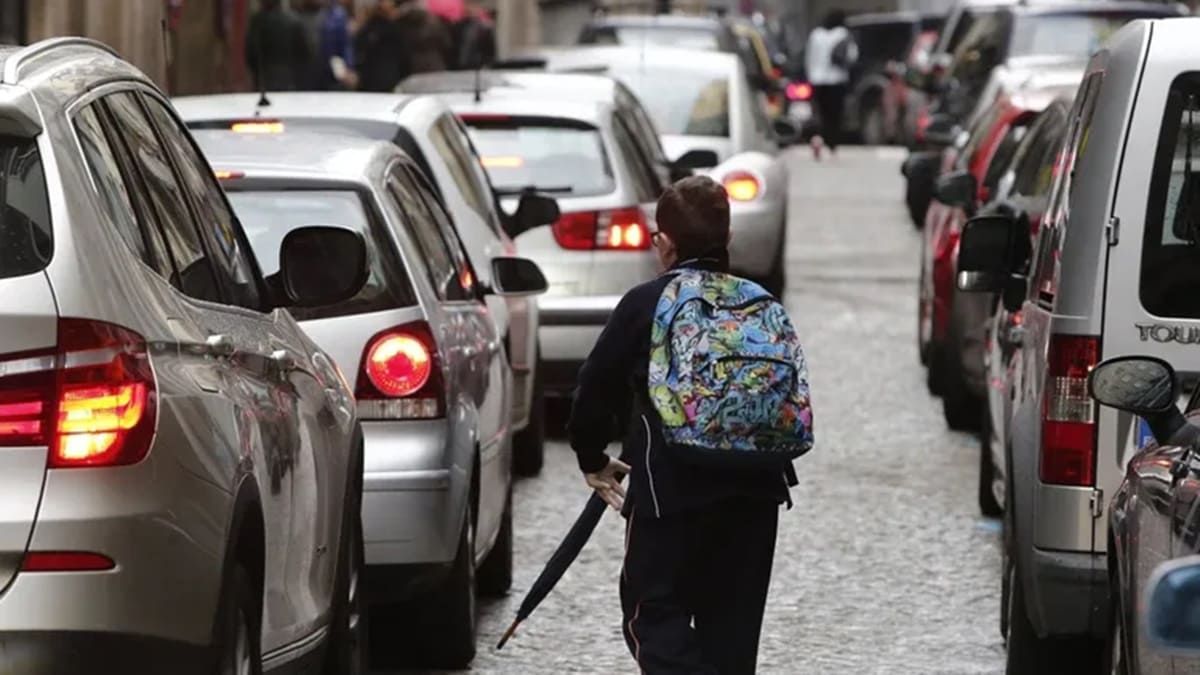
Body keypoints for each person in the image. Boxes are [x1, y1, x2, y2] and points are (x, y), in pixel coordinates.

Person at [568, 176, 801, 675]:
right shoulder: (761, 302)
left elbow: (594, 388)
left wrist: (592, 458)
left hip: (669, 491)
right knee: (733, 634)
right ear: (728, 239)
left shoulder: (646, 303)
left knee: (651, 610)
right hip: (756, 491)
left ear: (665, 244)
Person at [804, 10, 858, 159]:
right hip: (837, 80)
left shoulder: (815, 35)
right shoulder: (843, 33)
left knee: (820, 113)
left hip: (817, 80)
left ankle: (817, 138)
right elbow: (852, 56)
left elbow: (809, 58)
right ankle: (832, 144)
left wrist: (810, 76)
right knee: (834, 115)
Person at [246, 0, 312, 92]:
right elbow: (305, 55)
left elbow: (251, 53)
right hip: (291, 81)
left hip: (265, 81)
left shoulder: (257, 21)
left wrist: (257, 74)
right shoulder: (294, 21)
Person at [295, 0, 355, 90]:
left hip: (330, 72)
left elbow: (345, 44)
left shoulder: (337, 14)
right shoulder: (298, 14)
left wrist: (348, 66)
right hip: (305, 72)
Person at [354, 0, 408, 92]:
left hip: (369, 83)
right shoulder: (395, 29)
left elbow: (359, 57)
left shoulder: (365, 31)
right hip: (391, 81)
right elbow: (404, 58)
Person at [395, 0, 452, 74]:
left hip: (412, 64)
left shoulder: (402, 22)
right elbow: (447, 44)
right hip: (435, 63)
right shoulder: (435, 22)